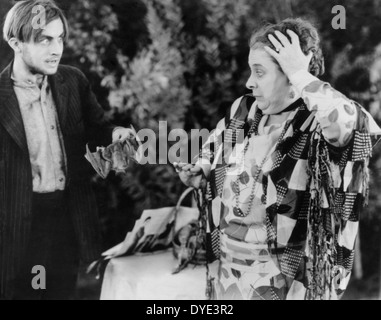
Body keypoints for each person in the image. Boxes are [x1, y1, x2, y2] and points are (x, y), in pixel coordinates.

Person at [175, 18, 381, 300]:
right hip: (229, 276)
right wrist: (202, 171)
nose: (249, 82)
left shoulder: (317, 122)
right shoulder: (243, 110)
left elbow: (357, 127)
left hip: (289, 285)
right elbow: (212, 152)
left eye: (260, 72)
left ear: (291, 75)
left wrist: (302, 74)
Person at [0, 0, 132, 300]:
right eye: (45, 39)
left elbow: (100, 127)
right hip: (20, 227)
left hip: (67, 221)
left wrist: (116, 133)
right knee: (33, 293)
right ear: (16, 43)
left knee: (60, 293)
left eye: (59, 38)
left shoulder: (72, 81)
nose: (56, 48)